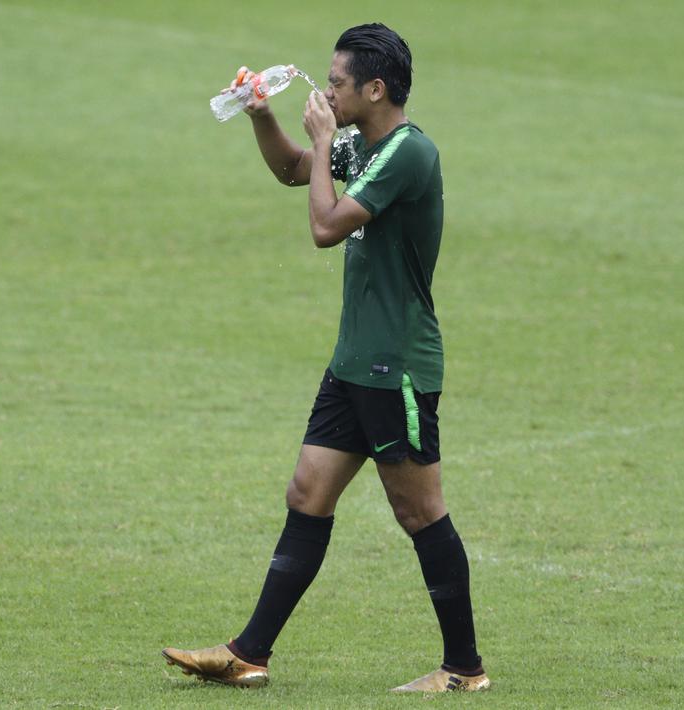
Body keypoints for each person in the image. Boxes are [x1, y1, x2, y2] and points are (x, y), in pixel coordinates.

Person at [161, 23, 490, 693]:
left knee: (419, 512)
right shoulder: (359, 141)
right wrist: (263, 116)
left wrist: (318, 143)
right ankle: (248, 652)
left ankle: (464, 669)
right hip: (353, 363)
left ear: (375, 88)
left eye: (335, 81)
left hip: (395, 366)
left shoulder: (406, 153)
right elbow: (293, 171)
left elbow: (324, 226)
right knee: (307, 493)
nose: (326, 88)